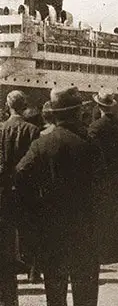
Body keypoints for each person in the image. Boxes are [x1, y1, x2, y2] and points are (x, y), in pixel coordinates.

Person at [15, 86, 102, 306]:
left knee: (55, 290)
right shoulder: (90, 144)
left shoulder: (43, 144)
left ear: (54, 114)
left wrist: (36, 207)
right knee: (85, 291)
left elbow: (20, 175)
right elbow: (103, 186)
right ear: (76, 113)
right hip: (86, 226)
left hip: (52, 227)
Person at [0, 91, 40, 304]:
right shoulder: (33, 130)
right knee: (30, 230)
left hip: (4, 189)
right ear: (24, 106)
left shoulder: (1, 129)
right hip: (27, 188)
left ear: (8, 106)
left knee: (6, 234)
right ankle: (33, 270)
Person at [88, 88, 118, 263]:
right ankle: (117, 248)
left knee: (102, 212)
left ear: (99, 106)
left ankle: (103, 251)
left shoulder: (95, 127)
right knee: (116, 210)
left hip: (101, 176)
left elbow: (91, 152)